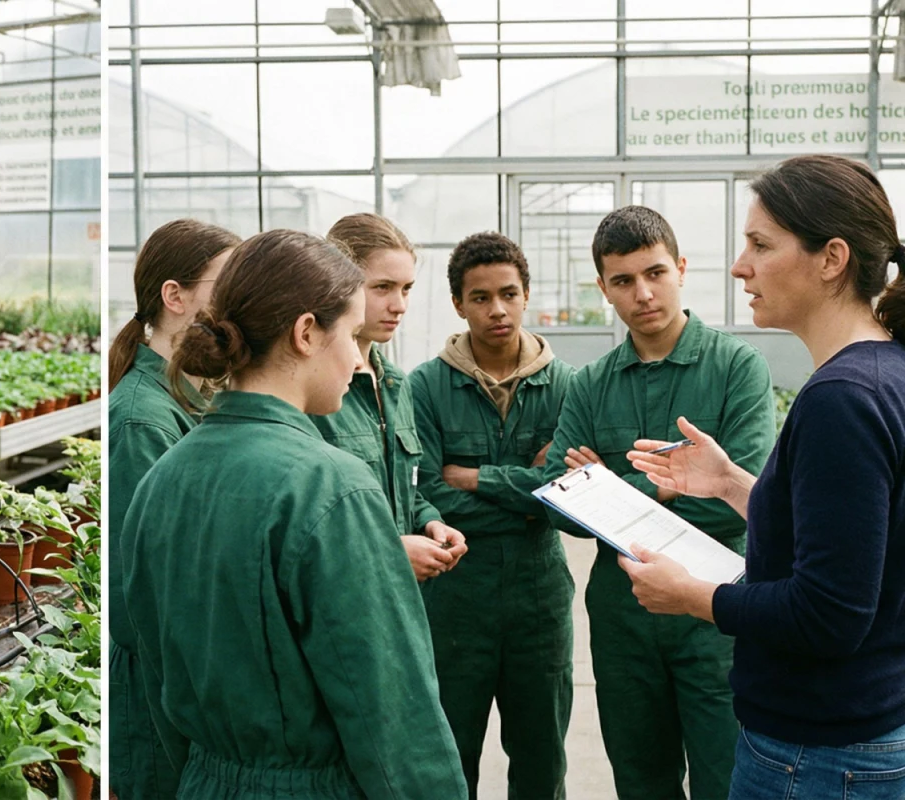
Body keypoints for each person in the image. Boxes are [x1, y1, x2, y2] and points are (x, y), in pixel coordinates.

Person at [117, 229, 467, 799]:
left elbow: (156, 672)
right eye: (351, 335)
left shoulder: (165, 477)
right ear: (306, 333)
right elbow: (392, 717)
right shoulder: (331, 487)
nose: (358, 359)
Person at [622, 155, 905, 799]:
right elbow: (854, 541)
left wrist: (691, 595)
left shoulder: (844, 398)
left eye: (760, 244)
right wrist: (729, 483)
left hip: (818, 755)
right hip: (856, 734)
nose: (739, 265)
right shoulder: (884, 372)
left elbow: (829, 615)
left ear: (831, 258)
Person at [544, 206, 776, 800]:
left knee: (727, 774)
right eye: (623, 281)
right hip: (624, 616)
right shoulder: (590, 383)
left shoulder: (736, 368)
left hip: (715, 610)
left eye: (655, 273)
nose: (642, 293)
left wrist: (607, 491)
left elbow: (737, 499)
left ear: (681, 268)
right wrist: (666, 487)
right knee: (641, 778)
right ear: (603, 289)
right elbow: (554, 502)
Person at [407, 231, 575, 799]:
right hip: (455, 597)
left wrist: (477, 478)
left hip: (539, 599)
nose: (496, 309)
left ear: (527, 295)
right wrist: (532, 494)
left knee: (541, 757)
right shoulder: (426, 387)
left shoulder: (565, 387)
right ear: (458, 303)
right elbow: (426, 492)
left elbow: (569, 498)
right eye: (480, 297)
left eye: (508, 293)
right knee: (451, 758)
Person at [105, 218, 238, 800]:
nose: (236, 304)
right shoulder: (141, 421)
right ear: (174, 296)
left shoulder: (192, 394)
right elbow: (140, 597)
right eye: (224, 285)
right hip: (158, 691)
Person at [310, 213, 468, 581]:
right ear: (337, 284)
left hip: (395, 597)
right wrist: (392, 551)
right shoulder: (314, 389)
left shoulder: (396, 383)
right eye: (382, 287)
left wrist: (429, 522)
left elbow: (404, 489)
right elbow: (306, 520)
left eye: (407, 288)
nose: (400, 305)